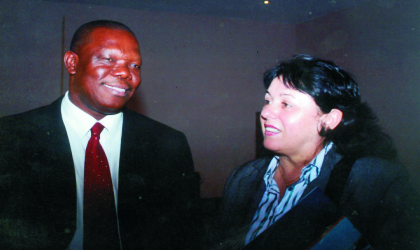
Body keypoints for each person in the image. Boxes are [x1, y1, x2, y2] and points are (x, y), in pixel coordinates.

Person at [0, 20, 202, 249]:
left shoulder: (168, 143)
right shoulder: (10, 137)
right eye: (109, 59)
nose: (126, 73)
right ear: (72, 62)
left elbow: (184, 235)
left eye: (135, 65)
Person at [215, 54, 420, 249]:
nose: (266, 113)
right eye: (268, 101)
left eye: (286, 104)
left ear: (329, 120)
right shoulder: (242, 179)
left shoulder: (373, 182)